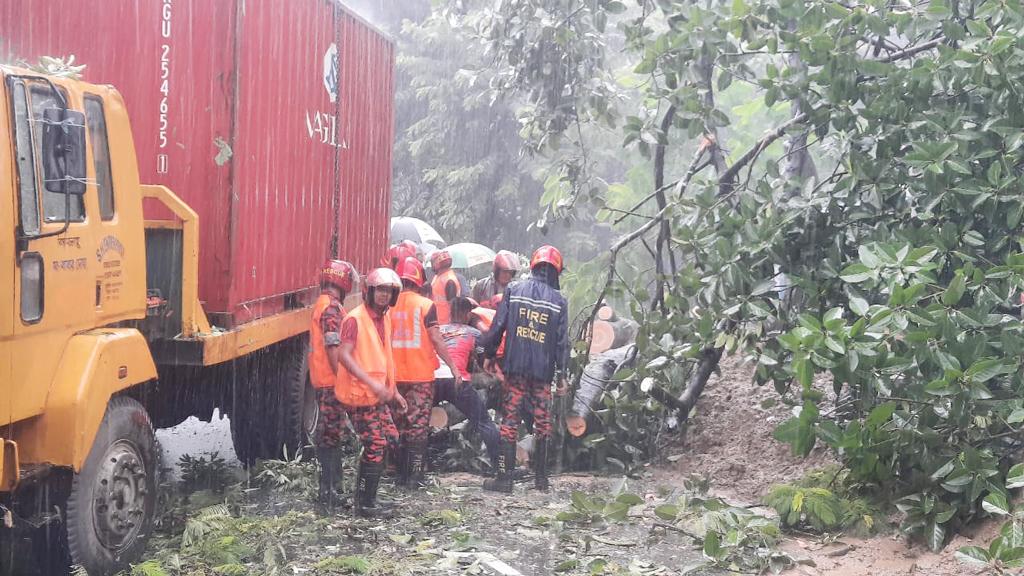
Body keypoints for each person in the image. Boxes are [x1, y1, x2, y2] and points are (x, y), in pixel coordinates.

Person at [480, 246, 569, 493]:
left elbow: (498, 326)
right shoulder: (559, 301)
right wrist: (562, 375)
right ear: (556, 271)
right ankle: (541, 480)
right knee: (542, 422)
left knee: (509, 420)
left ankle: (504, 479)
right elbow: (562, 342)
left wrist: (488, 355)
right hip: (542, 373)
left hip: (515, 368)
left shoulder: (514, 291)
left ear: (533, 266)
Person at [336, 267, 408, 517]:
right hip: (358, 396)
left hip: (377, 396)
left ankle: (366, 497)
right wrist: (371, 382)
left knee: (389, 436)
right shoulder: (355, 319)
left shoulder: (385, 318)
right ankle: (365, 505)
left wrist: (393, 390)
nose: (384, 295)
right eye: (380, 290)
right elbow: (343, 355)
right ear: (370, 291)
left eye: (389, 291)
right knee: (376, 443)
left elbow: (386, 358)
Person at [391, 256, 461, 488]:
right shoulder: (425, 305)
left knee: (398, 423)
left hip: (394, 377)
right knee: (417, 426)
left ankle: (398, 473)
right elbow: (437, 339)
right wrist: (452, 366)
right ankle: (415, 476)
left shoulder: (387, 306)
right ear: (419, 279)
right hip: (420, 376)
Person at [309, 259, 358, 513]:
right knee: (330, 437)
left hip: (322, 380)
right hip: (330, 381)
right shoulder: (331, 308)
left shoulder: (323, 304)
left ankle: (330, 490)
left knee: (330, 436)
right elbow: (332, 346)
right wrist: (343, 379)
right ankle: (329, 492)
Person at [433, 297, 501, 468]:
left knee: (417, 421)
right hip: (458, 380)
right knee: (484, 421)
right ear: (467, 314)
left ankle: (408, 468)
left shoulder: (438, 329)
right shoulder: (474, 333)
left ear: (450, 312)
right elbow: (478, 363)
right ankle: (499, 466)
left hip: (433, 378)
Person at [430, 249, 462, 324]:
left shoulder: (449, 280)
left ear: (437, 263)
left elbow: (453, 306)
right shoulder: (438, 276)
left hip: (446, 324)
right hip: (438, 322)